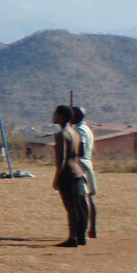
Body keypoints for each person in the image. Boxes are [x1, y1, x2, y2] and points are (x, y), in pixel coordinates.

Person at [51, 104, 88, 247]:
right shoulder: (75, 132)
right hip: (77, 171)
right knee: (79, 205)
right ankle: (81, 235)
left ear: (61, 116)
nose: (53, 116)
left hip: (67, 174)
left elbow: (63, 158)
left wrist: (56, 177)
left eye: (55, 113)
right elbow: (80, 153)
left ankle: (72, 238)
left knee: (71, 207)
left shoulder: (62, 134)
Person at [72, 105, 98, 240]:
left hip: (80, 164)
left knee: (82, 199)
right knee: (90, 198)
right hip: (88, 163)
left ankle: (83, 230)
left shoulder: (79, 130)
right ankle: (93, 228)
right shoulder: (87, 129)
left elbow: (80, 148)